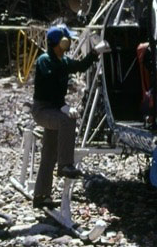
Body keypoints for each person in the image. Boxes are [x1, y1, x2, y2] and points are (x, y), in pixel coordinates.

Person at [31, 24, 106, 209]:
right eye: (68, 40)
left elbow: (79, 66)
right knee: (67, 120)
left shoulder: (62, 61)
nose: (71, 42)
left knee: (48, 153)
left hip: (54, 109)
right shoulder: (45, 60)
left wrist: (95, 53)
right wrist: (63, 106)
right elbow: (50, 84)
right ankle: (65, 165)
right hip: (43, 110)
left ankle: (42, 196)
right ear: (61, 42)